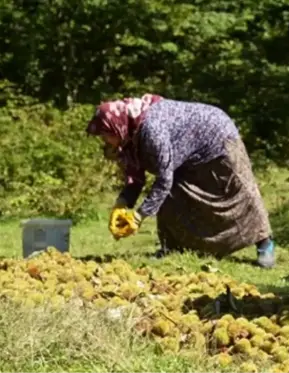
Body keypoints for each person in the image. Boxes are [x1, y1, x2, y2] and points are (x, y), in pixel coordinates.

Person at [86, 94, 276, 268]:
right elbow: (135, 178)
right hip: (187, 154)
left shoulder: (151, 129)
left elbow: (164, 179)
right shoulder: (129, 134)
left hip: (217, 137)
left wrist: (138, 216)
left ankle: (264, 243)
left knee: (239, 190)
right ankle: (171, 247)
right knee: (171, 198)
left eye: (105, 134)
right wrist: (121, 204)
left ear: (117, 126)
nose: (105, 140)